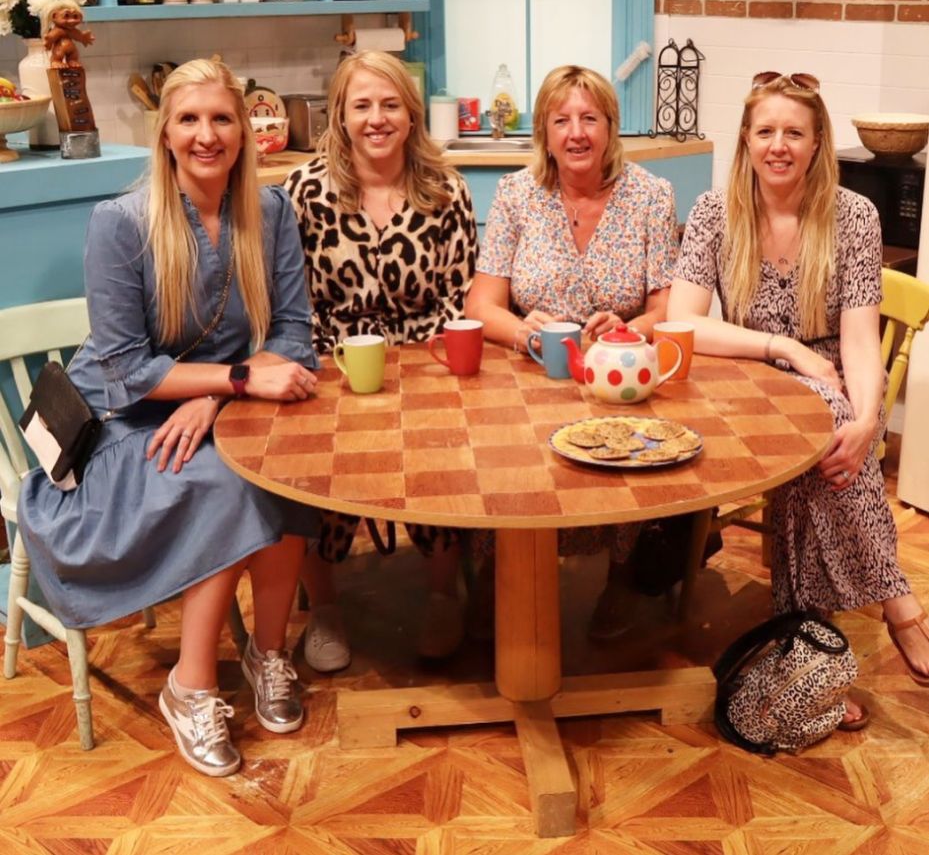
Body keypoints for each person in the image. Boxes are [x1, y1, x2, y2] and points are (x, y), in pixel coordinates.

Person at [17, 59, 321, 777]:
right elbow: (122, 366)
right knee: (227, 485)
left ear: (244, 134)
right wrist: (239, 377)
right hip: (112, 423)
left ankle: (268, 652)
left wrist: (218, 393)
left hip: (206, 403)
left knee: (288, 474)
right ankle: (189, 686)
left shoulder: (269, 213)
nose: (206, 135)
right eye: (188, 119)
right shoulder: (120, 222)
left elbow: (296, 335)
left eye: (222, 119)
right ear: (164, 135)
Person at [668, 70, 929, 729]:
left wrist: (870, 419)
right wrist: (781, 349)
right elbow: (682, 323)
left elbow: (861, 340)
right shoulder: (713, 212)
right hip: (749, 377)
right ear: (745, 141)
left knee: (830, 426)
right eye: (765, 131)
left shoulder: (853, 217)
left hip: (831, 381)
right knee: (824, 418)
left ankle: (800, 650)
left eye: (793, 131)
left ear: (816, 143)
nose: (777, 144)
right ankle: (898, 606)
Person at [464, 64, 679, 639]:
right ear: (544, 131)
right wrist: (521, 331)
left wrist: (632, 327)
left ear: (610, 128)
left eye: (590, 118)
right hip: (531, 381)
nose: (576, 133)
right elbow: (480, 305)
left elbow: (669, 310)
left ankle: (623, 579)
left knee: (634, 450)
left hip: (615, 375)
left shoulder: (651, 197)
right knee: (504, 448)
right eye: (562, 120)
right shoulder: (516, 194)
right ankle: (498, 575)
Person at [283, 50, 480, 668]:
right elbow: (289, 295)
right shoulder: (304, 192)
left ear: (411, 114)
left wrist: (436, 360)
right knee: (309, 468)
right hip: (332, 359)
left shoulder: (445, 189)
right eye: (362, 105)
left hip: (427, 359)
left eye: (390, 104)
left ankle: (445, 593)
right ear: (339, 115)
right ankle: (326, 609)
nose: (377, 118)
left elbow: (462, 292)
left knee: (444, 455)